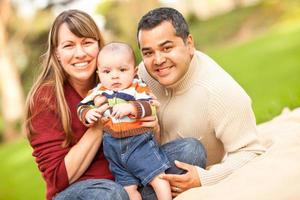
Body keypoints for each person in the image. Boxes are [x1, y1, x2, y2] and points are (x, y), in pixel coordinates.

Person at [24, 9, 206, 200]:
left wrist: (153, 128)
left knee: (190, 151)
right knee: (111, 194)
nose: (80, 53)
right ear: (57, 53)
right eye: (69, 46)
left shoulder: (120, 78)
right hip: (84, 191)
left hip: (129, 177)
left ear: (99, 46)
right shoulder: (45, 98)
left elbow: (145, 144)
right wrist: (100, 124)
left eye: (87, 43)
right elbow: (58, 179)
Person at [137, 7, 266, 197]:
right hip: (139, 167)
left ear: (189, 44)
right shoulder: (142, 76)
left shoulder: (220, 92)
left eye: (167, 48)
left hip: (174, 174)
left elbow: (252, 152)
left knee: (191, 150)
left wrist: (204, 178)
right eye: (148, 53)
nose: (158, 60)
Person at [77, 42, 172, 200]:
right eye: (107, 71)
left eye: (122, 70)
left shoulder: (137, 87)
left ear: (134, 72)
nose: (114, 76)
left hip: (139, 145)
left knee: (158, 177)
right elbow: (82, 106)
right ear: (99, 73)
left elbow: (151, 106)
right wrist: (88, 113)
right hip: (113, 150)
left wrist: (132, 108)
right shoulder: (98, 91)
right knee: (127, 189)